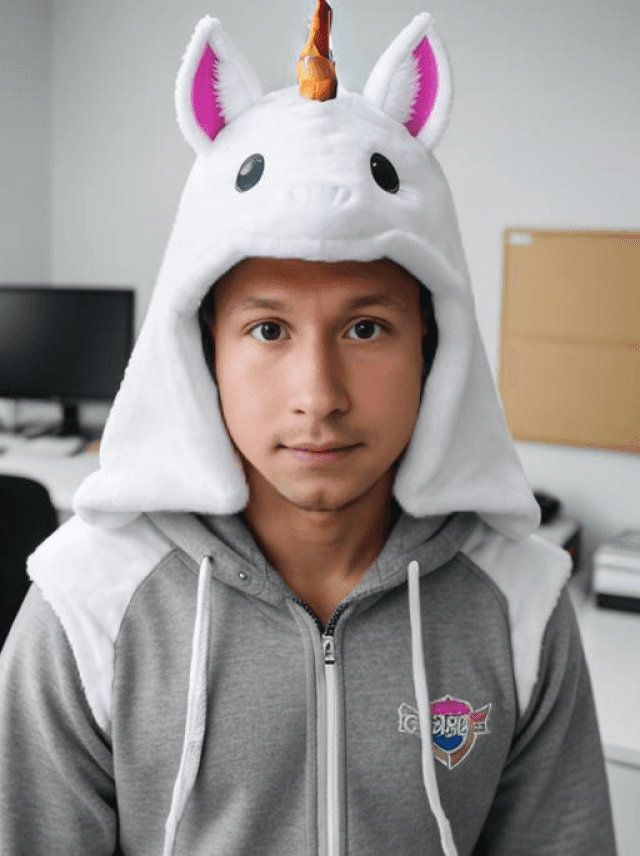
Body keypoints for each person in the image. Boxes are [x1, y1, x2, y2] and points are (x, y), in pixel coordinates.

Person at [0, 4, 616, 855]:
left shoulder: (524, 603)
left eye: (366, 328)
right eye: (268, 330)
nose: (318, 396)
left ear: (433, 344)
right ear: (203, 350)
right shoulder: (85, 604)